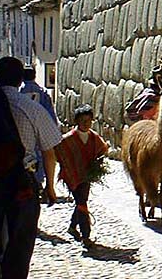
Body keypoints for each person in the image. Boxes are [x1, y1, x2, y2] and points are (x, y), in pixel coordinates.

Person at [0, 57, 61, 279]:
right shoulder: (31, 108)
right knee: (20, 242)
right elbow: (49, 151)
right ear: (20, 80)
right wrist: (50, 187)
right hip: (21, 182)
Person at [54, 104, 108, 247]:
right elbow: (59, 154)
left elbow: (102, 149)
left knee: (80, 202)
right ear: (77, 121)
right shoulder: (68, 139)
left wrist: (98, 162)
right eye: (83, 121)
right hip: (71, 176)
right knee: (82, 202)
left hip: (86, 176)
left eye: (89, 121)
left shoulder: (93, 137)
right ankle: (86, 235)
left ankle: (72, 226)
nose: (86, 124)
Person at [20, 65, 57, 188]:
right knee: (40, 154)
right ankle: (39, 181)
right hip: (39, 128)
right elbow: (50, 113)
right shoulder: (42, 93)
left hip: (24, 129)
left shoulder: (20, 92)